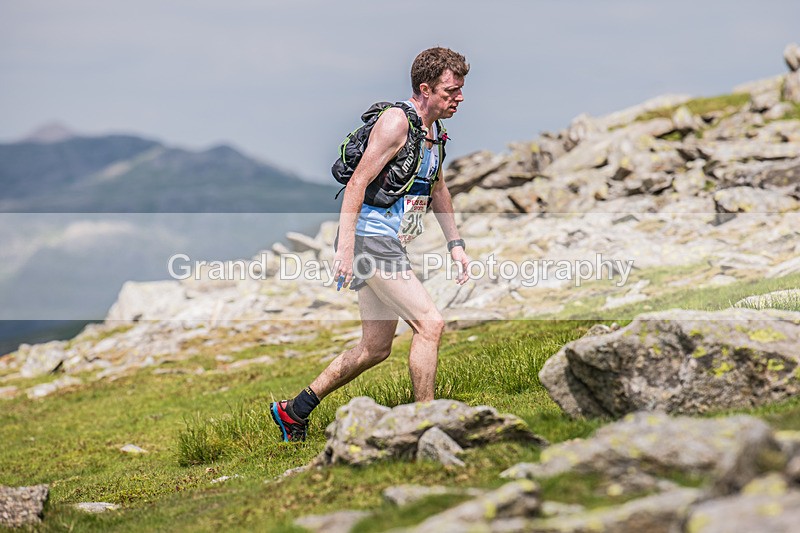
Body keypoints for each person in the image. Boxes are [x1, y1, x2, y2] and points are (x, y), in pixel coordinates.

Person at [270, 47, 471, 442]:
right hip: (370, 241)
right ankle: (425, 424)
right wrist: (346, 249)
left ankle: (295, 410)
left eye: (461, 89)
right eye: (451, 90)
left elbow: (438, 188)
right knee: (430, 324)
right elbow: (357, 183)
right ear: (425, 88)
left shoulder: (433, 133)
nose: (459, 97)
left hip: (388, 243)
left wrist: (456, 244)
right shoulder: (396, 123)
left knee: (375, 348)